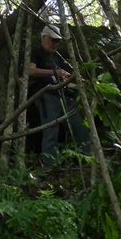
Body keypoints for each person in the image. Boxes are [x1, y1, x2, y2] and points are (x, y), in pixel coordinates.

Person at [28, 23, 90, 166]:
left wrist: (71, 78)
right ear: (44, 37)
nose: (55, 44)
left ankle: (88, 157)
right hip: (45, 94)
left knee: (79, 124)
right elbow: (30, 71)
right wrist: (55, 72)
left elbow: (67, 74)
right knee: (51, 128)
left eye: (57, 41)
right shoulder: (36, 53)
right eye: (53, 40)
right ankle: (48, 164)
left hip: (63, 93)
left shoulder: (57, 57)